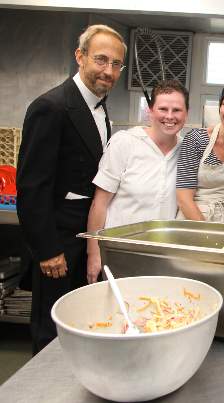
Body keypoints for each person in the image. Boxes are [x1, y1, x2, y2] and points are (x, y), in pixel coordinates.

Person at [16, 24, 127, 353]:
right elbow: (32, 187)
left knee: (81, 326)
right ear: (80, 57)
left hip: (85, 237)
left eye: (116, 64)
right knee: (52, 331)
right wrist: (48, 250)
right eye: (101, 60)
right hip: (59, 241)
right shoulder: (51, 106)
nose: (108, 71)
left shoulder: (99, 106)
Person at [86, 80, 189, 284]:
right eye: (163, 109)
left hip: (163, 260)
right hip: (119, 255)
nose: (169, 116)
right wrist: (94, 254)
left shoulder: (187, 150)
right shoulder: (125, 142)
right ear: (150, 111)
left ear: (186, 113)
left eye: (177, 110)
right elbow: (100, 203)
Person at [176, 80, 224, 223]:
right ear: (220, 107)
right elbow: (184, 199)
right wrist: (208, 234)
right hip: (192, 222)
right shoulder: (196, 139)